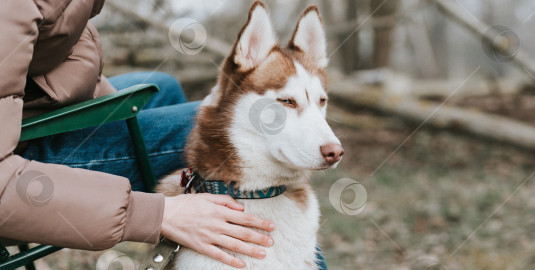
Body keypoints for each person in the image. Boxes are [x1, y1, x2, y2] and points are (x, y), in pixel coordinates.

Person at [0, 0, 326, 269]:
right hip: (17, 160)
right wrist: (157, 214)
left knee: (164, 87)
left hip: (27, 114)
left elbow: (59, 69)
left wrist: (116, 114)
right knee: (219, 124)